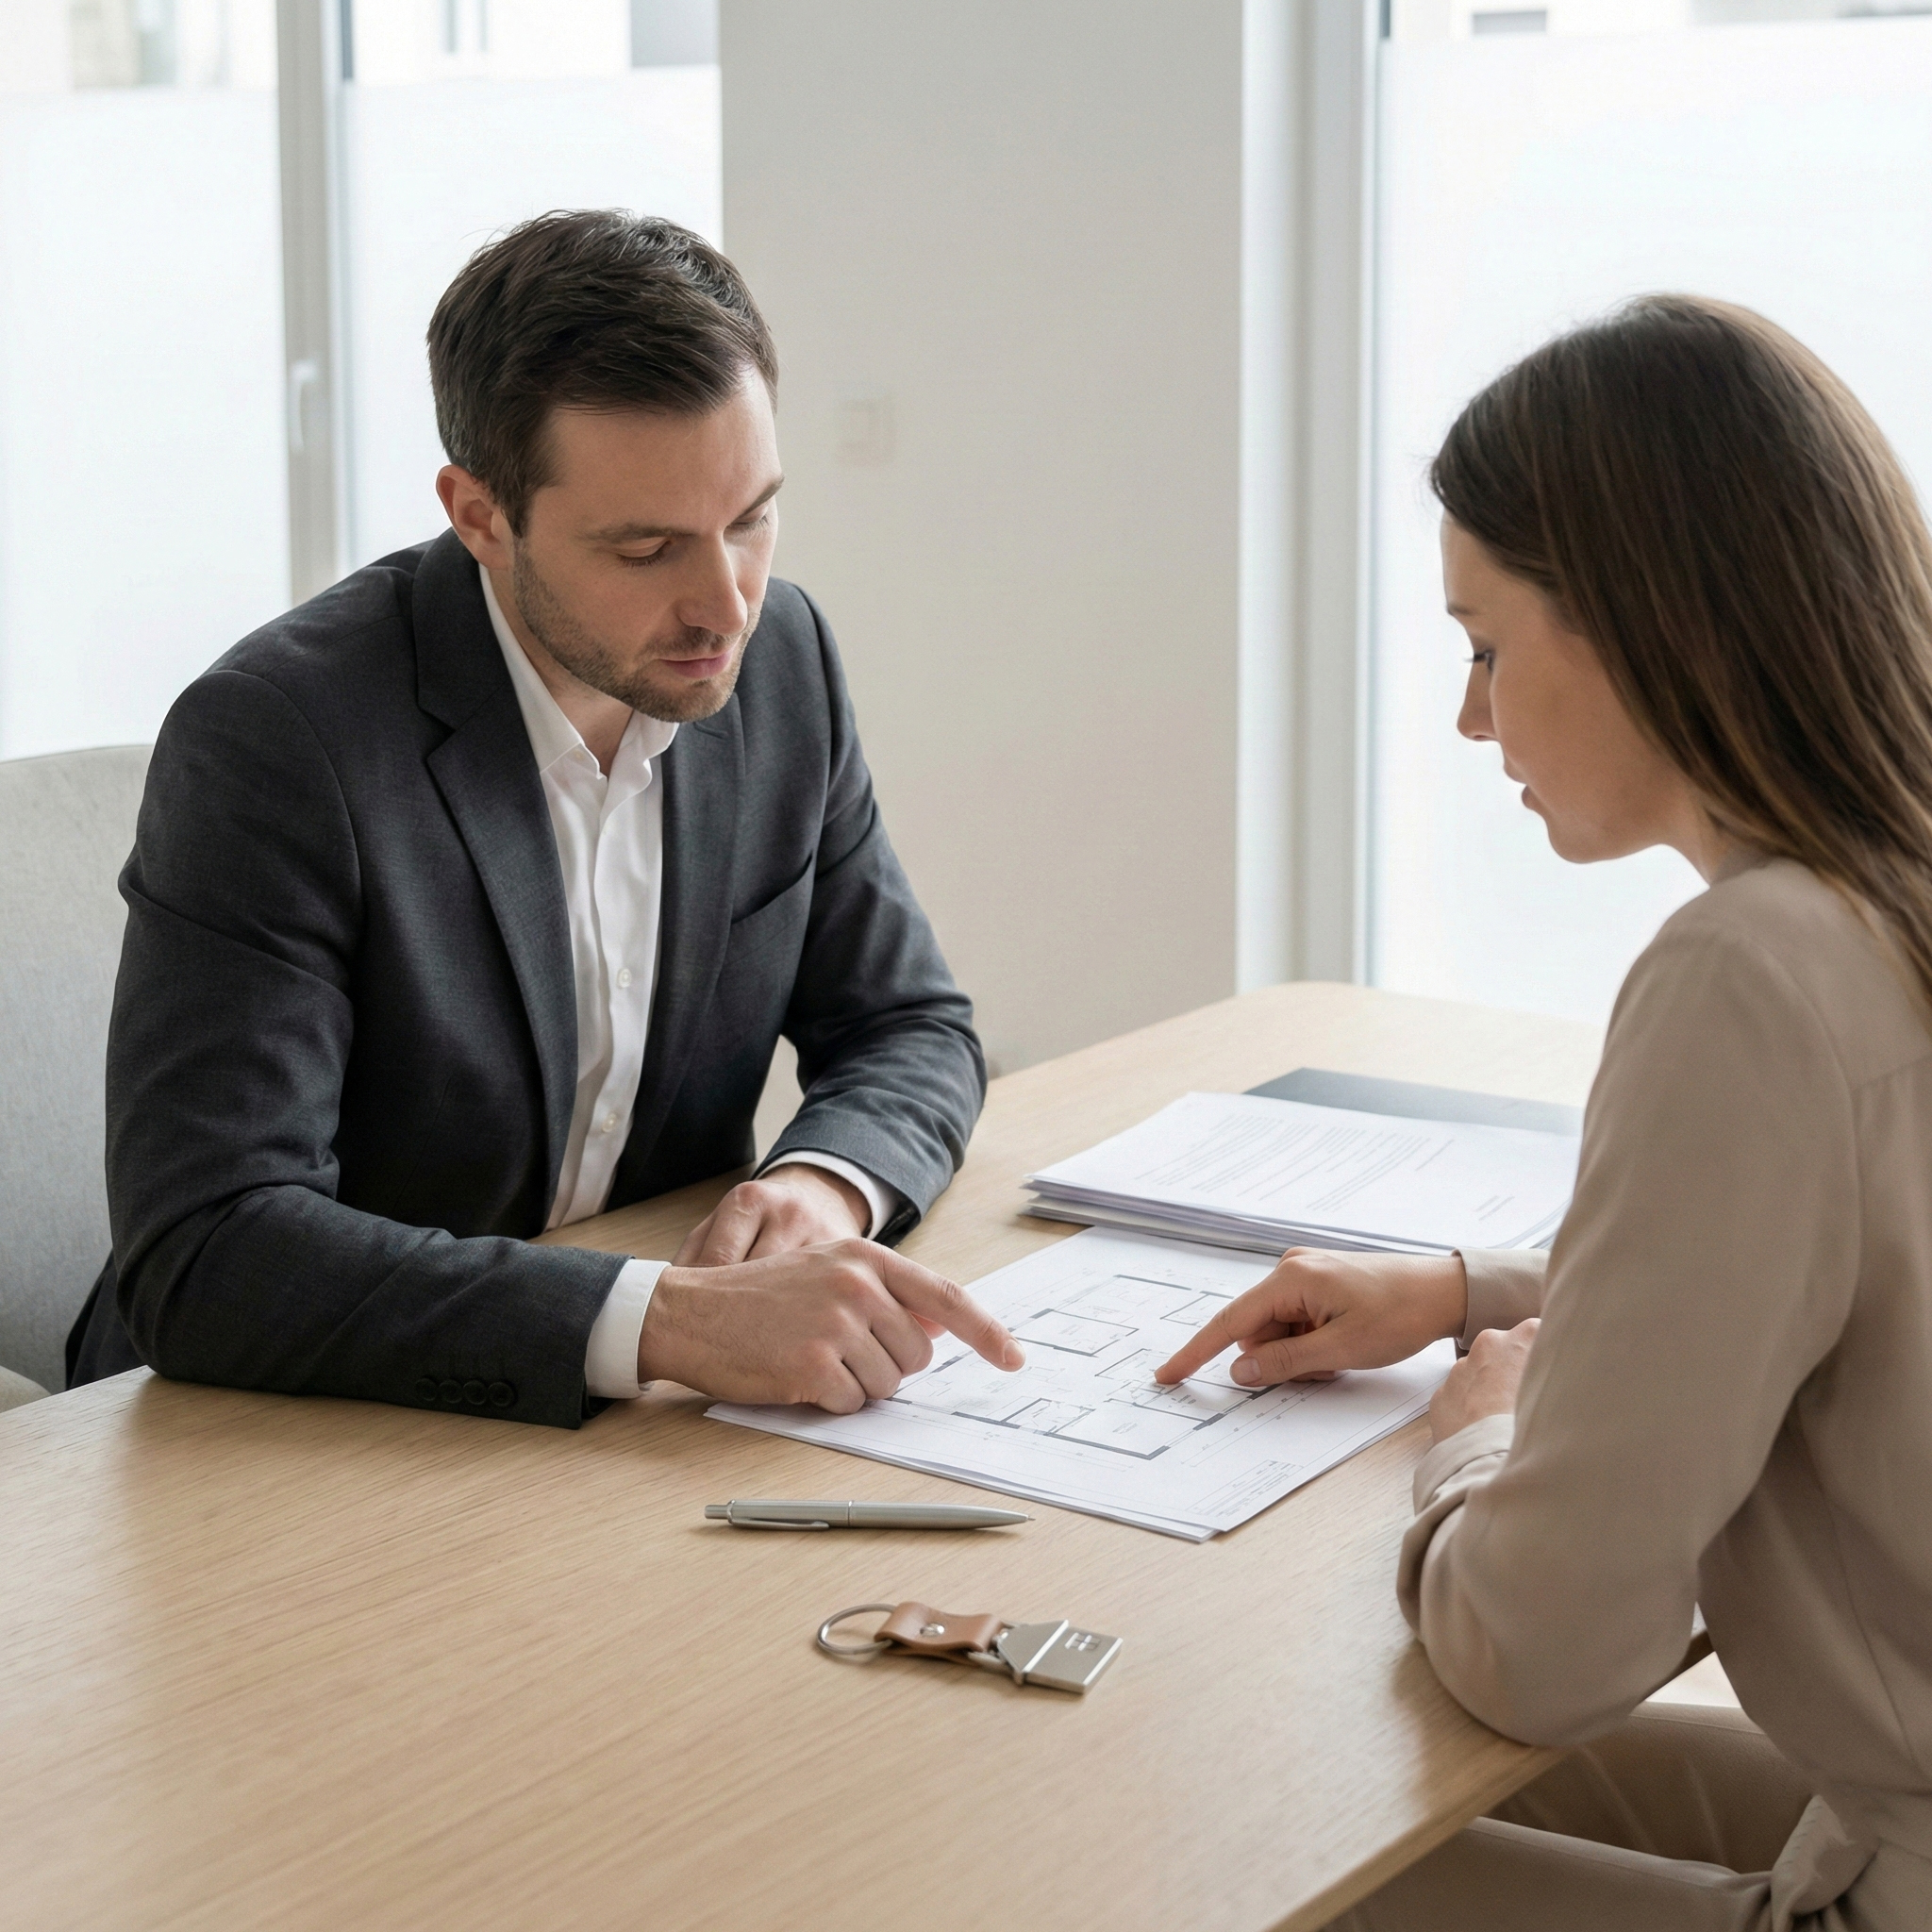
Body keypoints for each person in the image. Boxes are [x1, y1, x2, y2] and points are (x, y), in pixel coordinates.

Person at [1158, 296, 1932, 1929]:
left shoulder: (1752, 973)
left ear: (1656, 621)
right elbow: (1836, 1271)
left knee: (1220, 1859)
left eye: (1486, 644)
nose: (1469, 716)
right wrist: (1470, 1295)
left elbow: (1547, 1653)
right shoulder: (1887, 907)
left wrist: (1479, 1442)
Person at [66, 209, 1023, 1425]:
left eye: (752, 518)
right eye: (645, 549)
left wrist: (825, 1187)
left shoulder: (782, 665)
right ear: (478, 514)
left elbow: (912, 1027)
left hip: (622, 1437)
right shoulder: (278, 740)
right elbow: (210, 1251)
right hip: (282, 1429)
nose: (726, 605)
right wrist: (665, 1322)